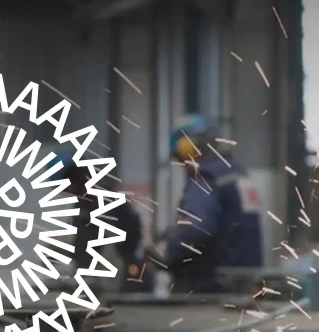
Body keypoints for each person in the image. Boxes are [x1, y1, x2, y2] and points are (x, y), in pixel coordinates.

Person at [157, 114, 264, 293]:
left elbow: (195, 230)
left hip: (210, 287)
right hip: (244, 285)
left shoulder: (206, 177)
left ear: (187, 148)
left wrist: (168, 251)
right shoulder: (240, 173)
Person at [52, 146, 148, 293]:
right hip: (102, 279)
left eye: (65, 186)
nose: (66, 192)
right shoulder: (86, 201)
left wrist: (70, 243)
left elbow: (99, 240)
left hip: (117, 282)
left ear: (73, 177)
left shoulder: (103, 199)